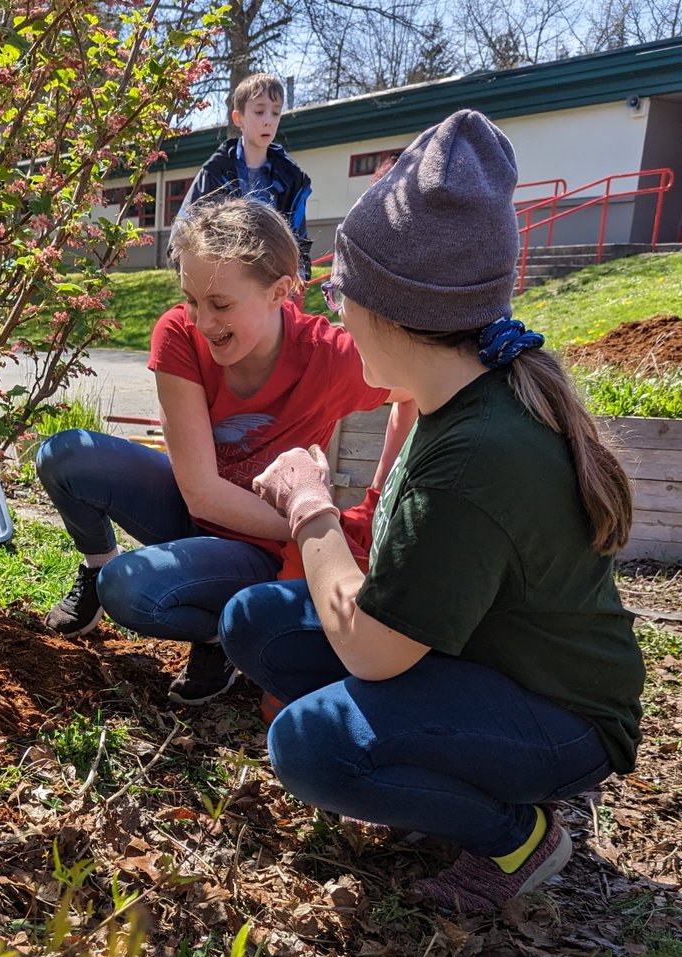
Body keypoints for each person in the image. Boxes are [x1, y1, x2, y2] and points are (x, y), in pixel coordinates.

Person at [218, 110, 645, 915]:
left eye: (342, 293)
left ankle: (518, 835)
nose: (336, 314)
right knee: (257, 623)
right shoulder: (453, 390)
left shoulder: (474, 455)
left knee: (309, 747)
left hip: (559, 712)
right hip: (482, 662)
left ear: (384, 309)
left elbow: (376, 653)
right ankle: (429, 775)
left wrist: (310, 509)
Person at [36, 198, 415, 705]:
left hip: (263, 540)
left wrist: (357, 513)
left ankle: (216, 636)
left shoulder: (330, 356)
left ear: (280, 291)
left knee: (130, 591)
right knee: (65, 455)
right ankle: (96, 562)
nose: (201, 319)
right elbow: (201, 494)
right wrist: (321, 525)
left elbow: (411, 393)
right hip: (199, 504)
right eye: (191, 298)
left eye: (220, 304)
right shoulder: (179, 332)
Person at [170, 73, 313, 281]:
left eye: (276, 113)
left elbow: (298, 242)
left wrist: (298, 280)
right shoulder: (215, 173)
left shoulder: (292, 180)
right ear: (238, 118)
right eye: (259, 111)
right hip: (220, 286)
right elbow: (182, 235)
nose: (268, 121)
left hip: (270, 291)